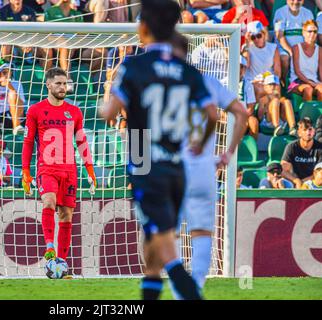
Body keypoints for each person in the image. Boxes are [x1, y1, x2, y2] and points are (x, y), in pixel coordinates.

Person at [102, 0, 218, 300]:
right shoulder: (187, 69)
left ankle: (190, 292)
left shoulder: (134, 66)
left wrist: (109, 87)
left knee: (168, 252)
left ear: (143, 28)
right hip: (177, 168)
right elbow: (213, 115)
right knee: (154, 242)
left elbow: (109, 113)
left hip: (147, 166)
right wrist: (200, 142)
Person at [172, 32, 248, 299]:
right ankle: (197, 288)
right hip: (204, 166)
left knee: (172, 231)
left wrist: (140, 163)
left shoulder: (161, 85)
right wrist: (227, 153)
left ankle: (180, 291)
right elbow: (242, 113)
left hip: (172, 167)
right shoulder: (208, 82)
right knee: (201, 230)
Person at [21, 67, 97, 271]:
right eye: (58, 83)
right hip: (47, 168)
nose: (63, 87)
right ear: (48, 84)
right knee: (49, 200)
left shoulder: (74, 112)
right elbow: (28, 142)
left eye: (65, 84)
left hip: (70, 170)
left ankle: (61, 265)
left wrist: (89, 168)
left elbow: (81, 141)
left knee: (66, 215)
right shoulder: (35, 110)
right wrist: (25, 171)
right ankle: (49, 247)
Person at [243, 21, 281, 115]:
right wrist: (247, 43)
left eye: (259, 36)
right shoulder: (247, 48)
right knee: (260, 89)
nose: (256, 39)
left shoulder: (273, 47)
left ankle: (270, 118)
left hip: (269, 80)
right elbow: (246, 64)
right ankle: (259, 116)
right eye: (253, 37)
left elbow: (277, 71)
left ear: (264, 34)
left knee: (275, 89)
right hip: (254, 81)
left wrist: (271, 82)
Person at [273, 0, 314, 83]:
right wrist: (292, 51)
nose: (295, 2)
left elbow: (311, 35)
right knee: (285, 58)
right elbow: (280, 36)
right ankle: (283, 82)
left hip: (302, 48)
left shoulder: (308, 13)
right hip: (284, 49)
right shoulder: (280, 12)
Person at [281, 117, 322, 188]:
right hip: (294, 182)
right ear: (299, 133)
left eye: (310, 129)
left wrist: (304, 182)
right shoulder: (292, 147)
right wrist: (296, 180)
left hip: (313, 182)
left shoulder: (320, 148)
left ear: (314, 131)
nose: (308, 132)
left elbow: (319, 172)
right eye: (305, 130)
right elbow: (283, 170)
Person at [288, 20, 322, 101]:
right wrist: (310, 83)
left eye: (315, 31)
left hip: (313, 80)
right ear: (303, 33)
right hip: (297, 81)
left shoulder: (320, 49)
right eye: (309, 31)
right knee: (308, 89)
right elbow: (297, 71)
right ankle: (307, 113)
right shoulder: (296, 48)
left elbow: (321, 71)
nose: (312, 34)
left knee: (321, 89)